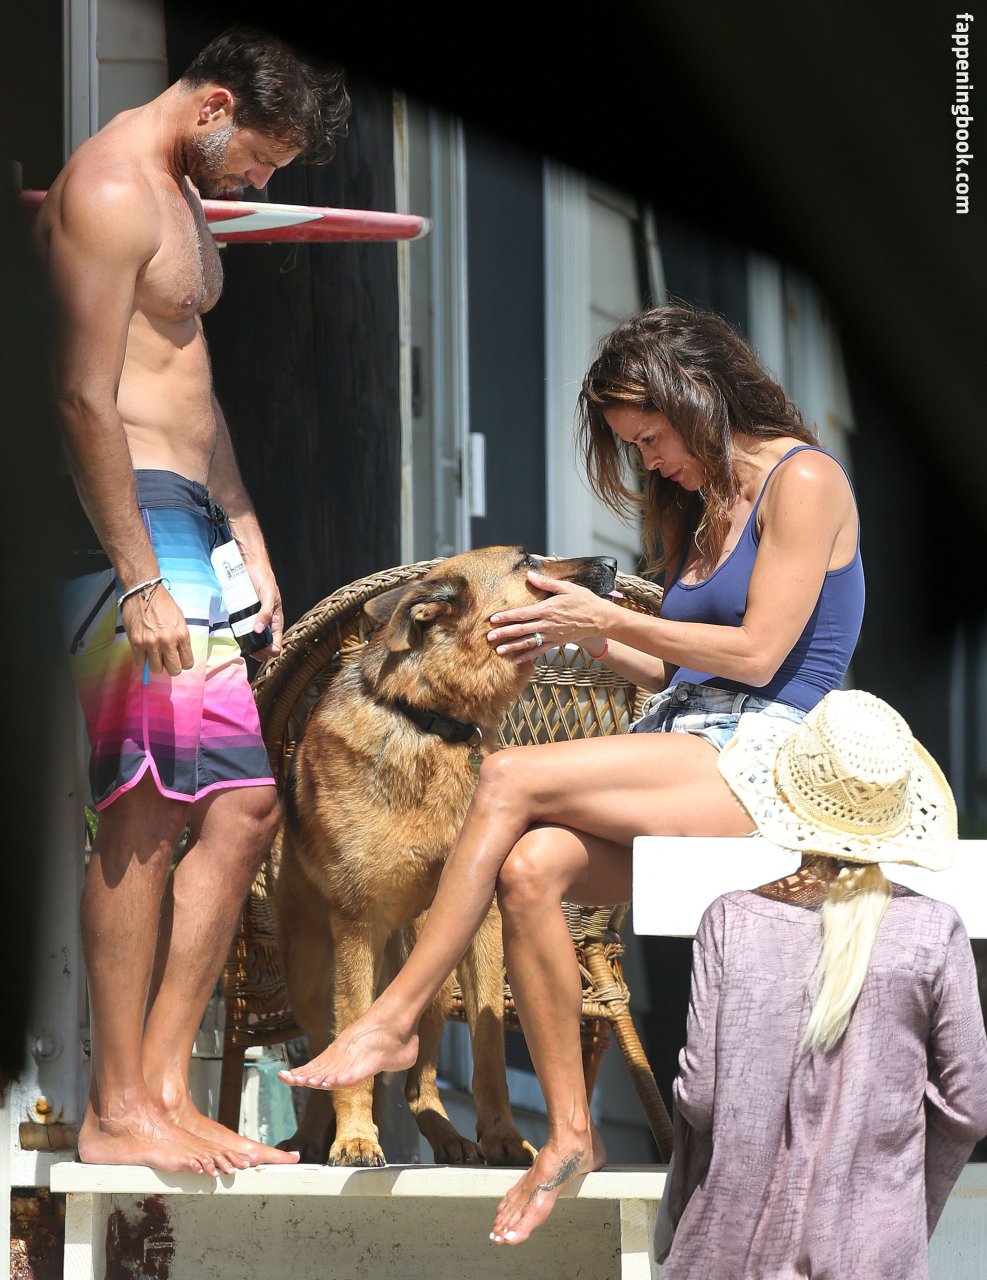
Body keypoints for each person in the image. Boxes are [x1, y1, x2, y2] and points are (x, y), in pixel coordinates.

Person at [278, 303, 866, 1239]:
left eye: (651, 437)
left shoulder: (804, 480)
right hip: (692, 738)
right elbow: (680, 674)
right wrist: (575, 636)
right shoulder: (705, 500)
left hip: (775, 754)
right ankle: (567, 1134)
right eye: (633, 446)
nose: (650, 463)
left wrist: (608, 618)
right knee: (529, 867)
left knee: (507, 777)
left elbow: (758, 657)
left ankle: (393, 1014)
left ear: (696, 394)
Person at [36, 24, 351, 1174]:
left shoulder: (178, 187)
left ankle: (166, 1086)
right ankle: (116, 1101)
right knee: (147, 801)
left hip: (192, 516)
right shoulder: (111, 187)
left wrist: (247, 527)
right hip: (123, 518)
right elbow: (81, 395)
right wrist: (138, 575)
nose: (258, 182)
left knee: (244, 806)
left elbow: (189, 381)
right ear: (214, 105)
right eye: (260, 158)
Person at [657, 688, 987, 1279]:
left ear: (788, 794)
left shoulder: (730, 920)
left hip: (734, 1252)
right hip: (872, 1255)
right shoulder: (935, 931)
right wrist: (899, 1208)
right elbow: (971, 1108)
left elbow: (700, 1099)